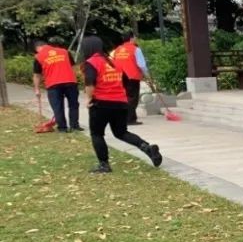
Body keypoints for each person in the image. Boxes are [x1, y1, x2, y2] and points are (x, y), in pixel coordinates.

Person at [79, 36, 162, 174]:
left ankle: (104, 165)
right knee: (121, 132)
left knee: (97, 134)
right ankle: (146, 147)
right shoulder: (113, 62)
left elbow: (90, 83)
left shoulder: (91, 62)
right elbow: (123, 81)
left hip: (101, 103)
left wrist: (88, 99)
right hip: (120, 103)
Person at [33, 40, 81, 132]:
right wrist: (74, 79)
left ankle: (62, 128)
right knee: (73, 104)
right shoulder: (65, 51)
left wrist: (37, 89)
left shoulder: (38, 56)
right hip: (70, 81)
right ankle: (75, 126)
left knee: (58, 106)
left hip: (53, 84)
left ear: (38, 48)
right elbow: (73, 67)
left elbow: (37, 75)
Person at [111, 31, 149, 125]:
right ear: (131, 38)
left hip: (120, 75)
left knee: (124, 97)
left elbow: (112, 62)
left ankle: (125, 117)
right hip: (132, 75)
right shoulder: (135, 49)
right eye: (135, 37)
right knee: (132, 97)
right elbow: (141, 64)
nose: (135, 39)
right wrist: (146, 74)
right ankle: (130, 119)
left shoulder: (117, 50)